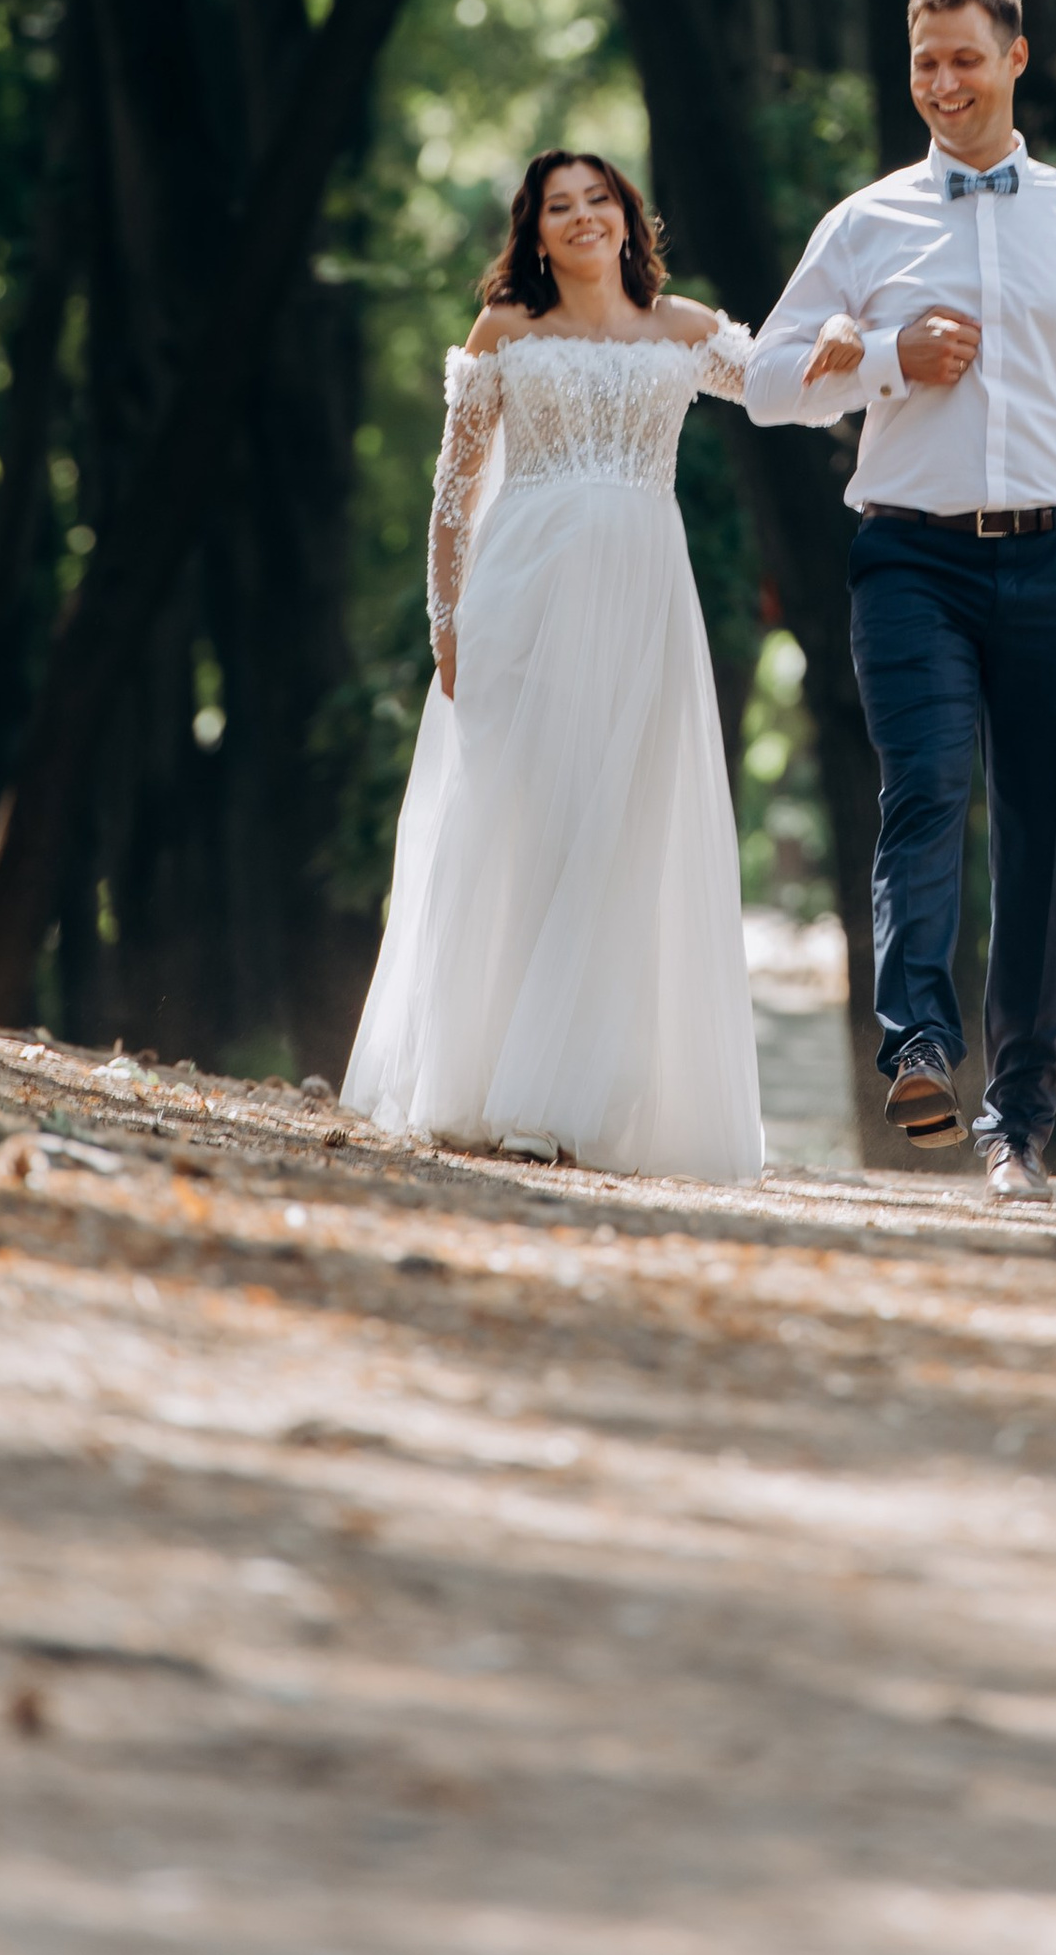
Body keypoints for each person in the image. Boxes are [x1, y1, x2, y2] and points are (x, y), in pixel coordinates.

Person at [747, 0, 1056, 1203]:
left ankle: (1019, 1120)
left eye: (964, 58)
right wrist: (888, 363)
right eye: (923, 62)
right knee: (924, 785)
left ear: (1015, 58)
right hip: (911, 553)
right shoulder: (864, 224)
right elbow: (765, 377)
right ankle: (917, 1046)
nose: (943, 83)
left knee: (1043, 831)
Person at [344, 148, 849, 1183]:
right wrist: (447, 618)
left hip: (641, 597)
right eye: (557, 206)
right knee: (519, 822)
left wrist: (847, 341)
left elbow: (779, 384)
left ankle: (571, 1093)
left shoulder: (684, 328)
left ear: (629, 217)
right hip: (521, 592)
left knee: (615, 828)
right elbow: (454, 487)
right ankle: (485, 1076)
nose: (581, 217)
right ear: (534, 232)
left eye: (597, 199)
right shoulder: (505, 332)